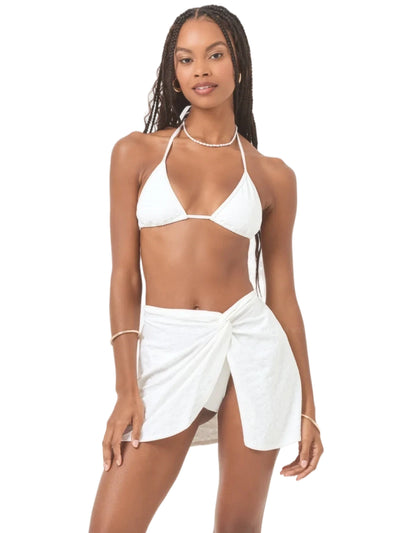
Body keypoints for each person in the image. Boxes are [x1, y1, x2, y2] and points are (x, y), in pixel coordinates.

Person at [89, 5, 324, 533]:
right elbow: (124, 276)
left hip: (252, 348)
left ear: (238, 63)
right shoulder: (136, 153)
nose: (201, 69)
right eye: (186, 59)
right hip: (169, 348)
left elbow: (283, 296)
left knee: (237, 527)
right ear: (173, 72)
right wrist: (126, 388)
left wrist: (309, 404)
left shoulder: (272, 175)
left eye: (215, 55)